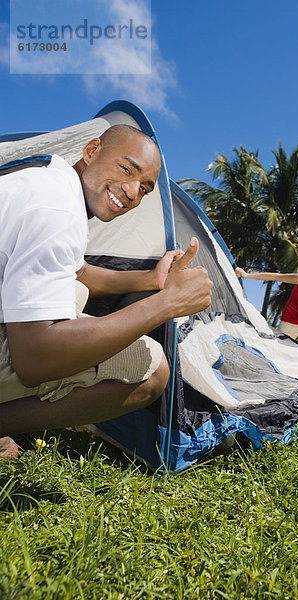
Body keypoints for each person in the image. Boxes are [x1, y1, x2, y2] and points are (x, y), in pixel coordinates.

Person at [0, 124, 213, 456]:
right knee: (153, 370)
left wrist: (153, 282)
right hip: (31, 352)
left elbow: (81, 272)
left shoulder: (52, 182)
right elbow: (34, 359)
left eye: (144, 188)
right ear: (91, 150)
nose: (132, 192)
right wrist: (167, 304)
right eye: (126, 169)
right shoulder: (56, 210)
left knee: (74, 291)